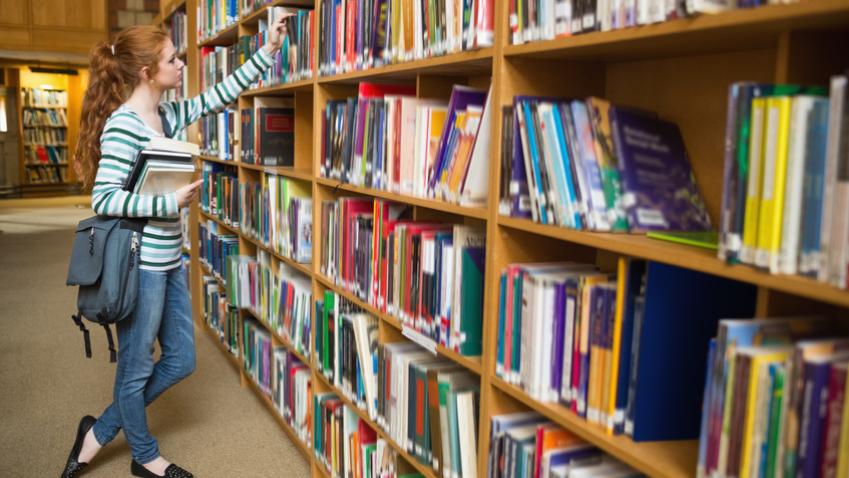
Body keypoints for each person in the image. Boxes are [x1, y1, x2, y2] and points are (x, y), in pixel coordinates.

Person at [61, 14, 291, 478]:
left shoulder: (165, 114)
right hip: (139, 265)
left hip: (171, 260)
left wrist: (268, 49)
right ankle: (145, 456)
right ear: (147, 71)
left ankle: (99, 430)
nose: (181, 62)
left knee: (182, 360)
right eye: (171, 58)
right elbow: (103, 198)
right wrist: (169, 200)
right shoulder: (123, 125)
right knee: (136, 368)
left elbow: (216, 96)